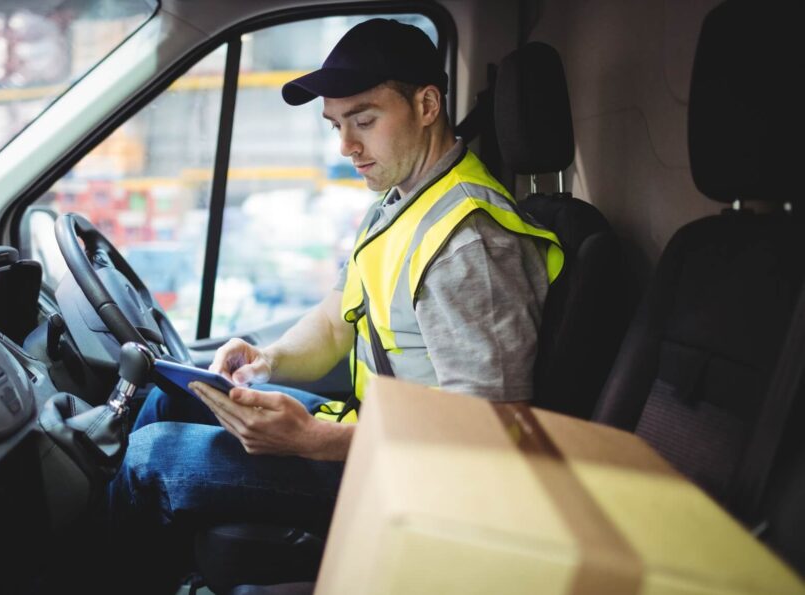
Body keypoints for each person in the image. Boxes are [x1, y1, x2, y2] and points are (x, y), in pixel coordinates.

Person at [108, 18, 562, 591]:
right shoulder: (399, 202)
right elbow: (335, 317)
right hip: (374, 434)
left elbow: (490, 434)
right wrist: (265, 359)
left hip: (423, 485)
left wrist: (312, 441)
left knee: (152, 456)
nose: (346, 146)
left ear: (426, 105)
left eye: (364, 121)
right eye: (336, 125)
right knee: (167, 401)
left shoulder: (468, 243)